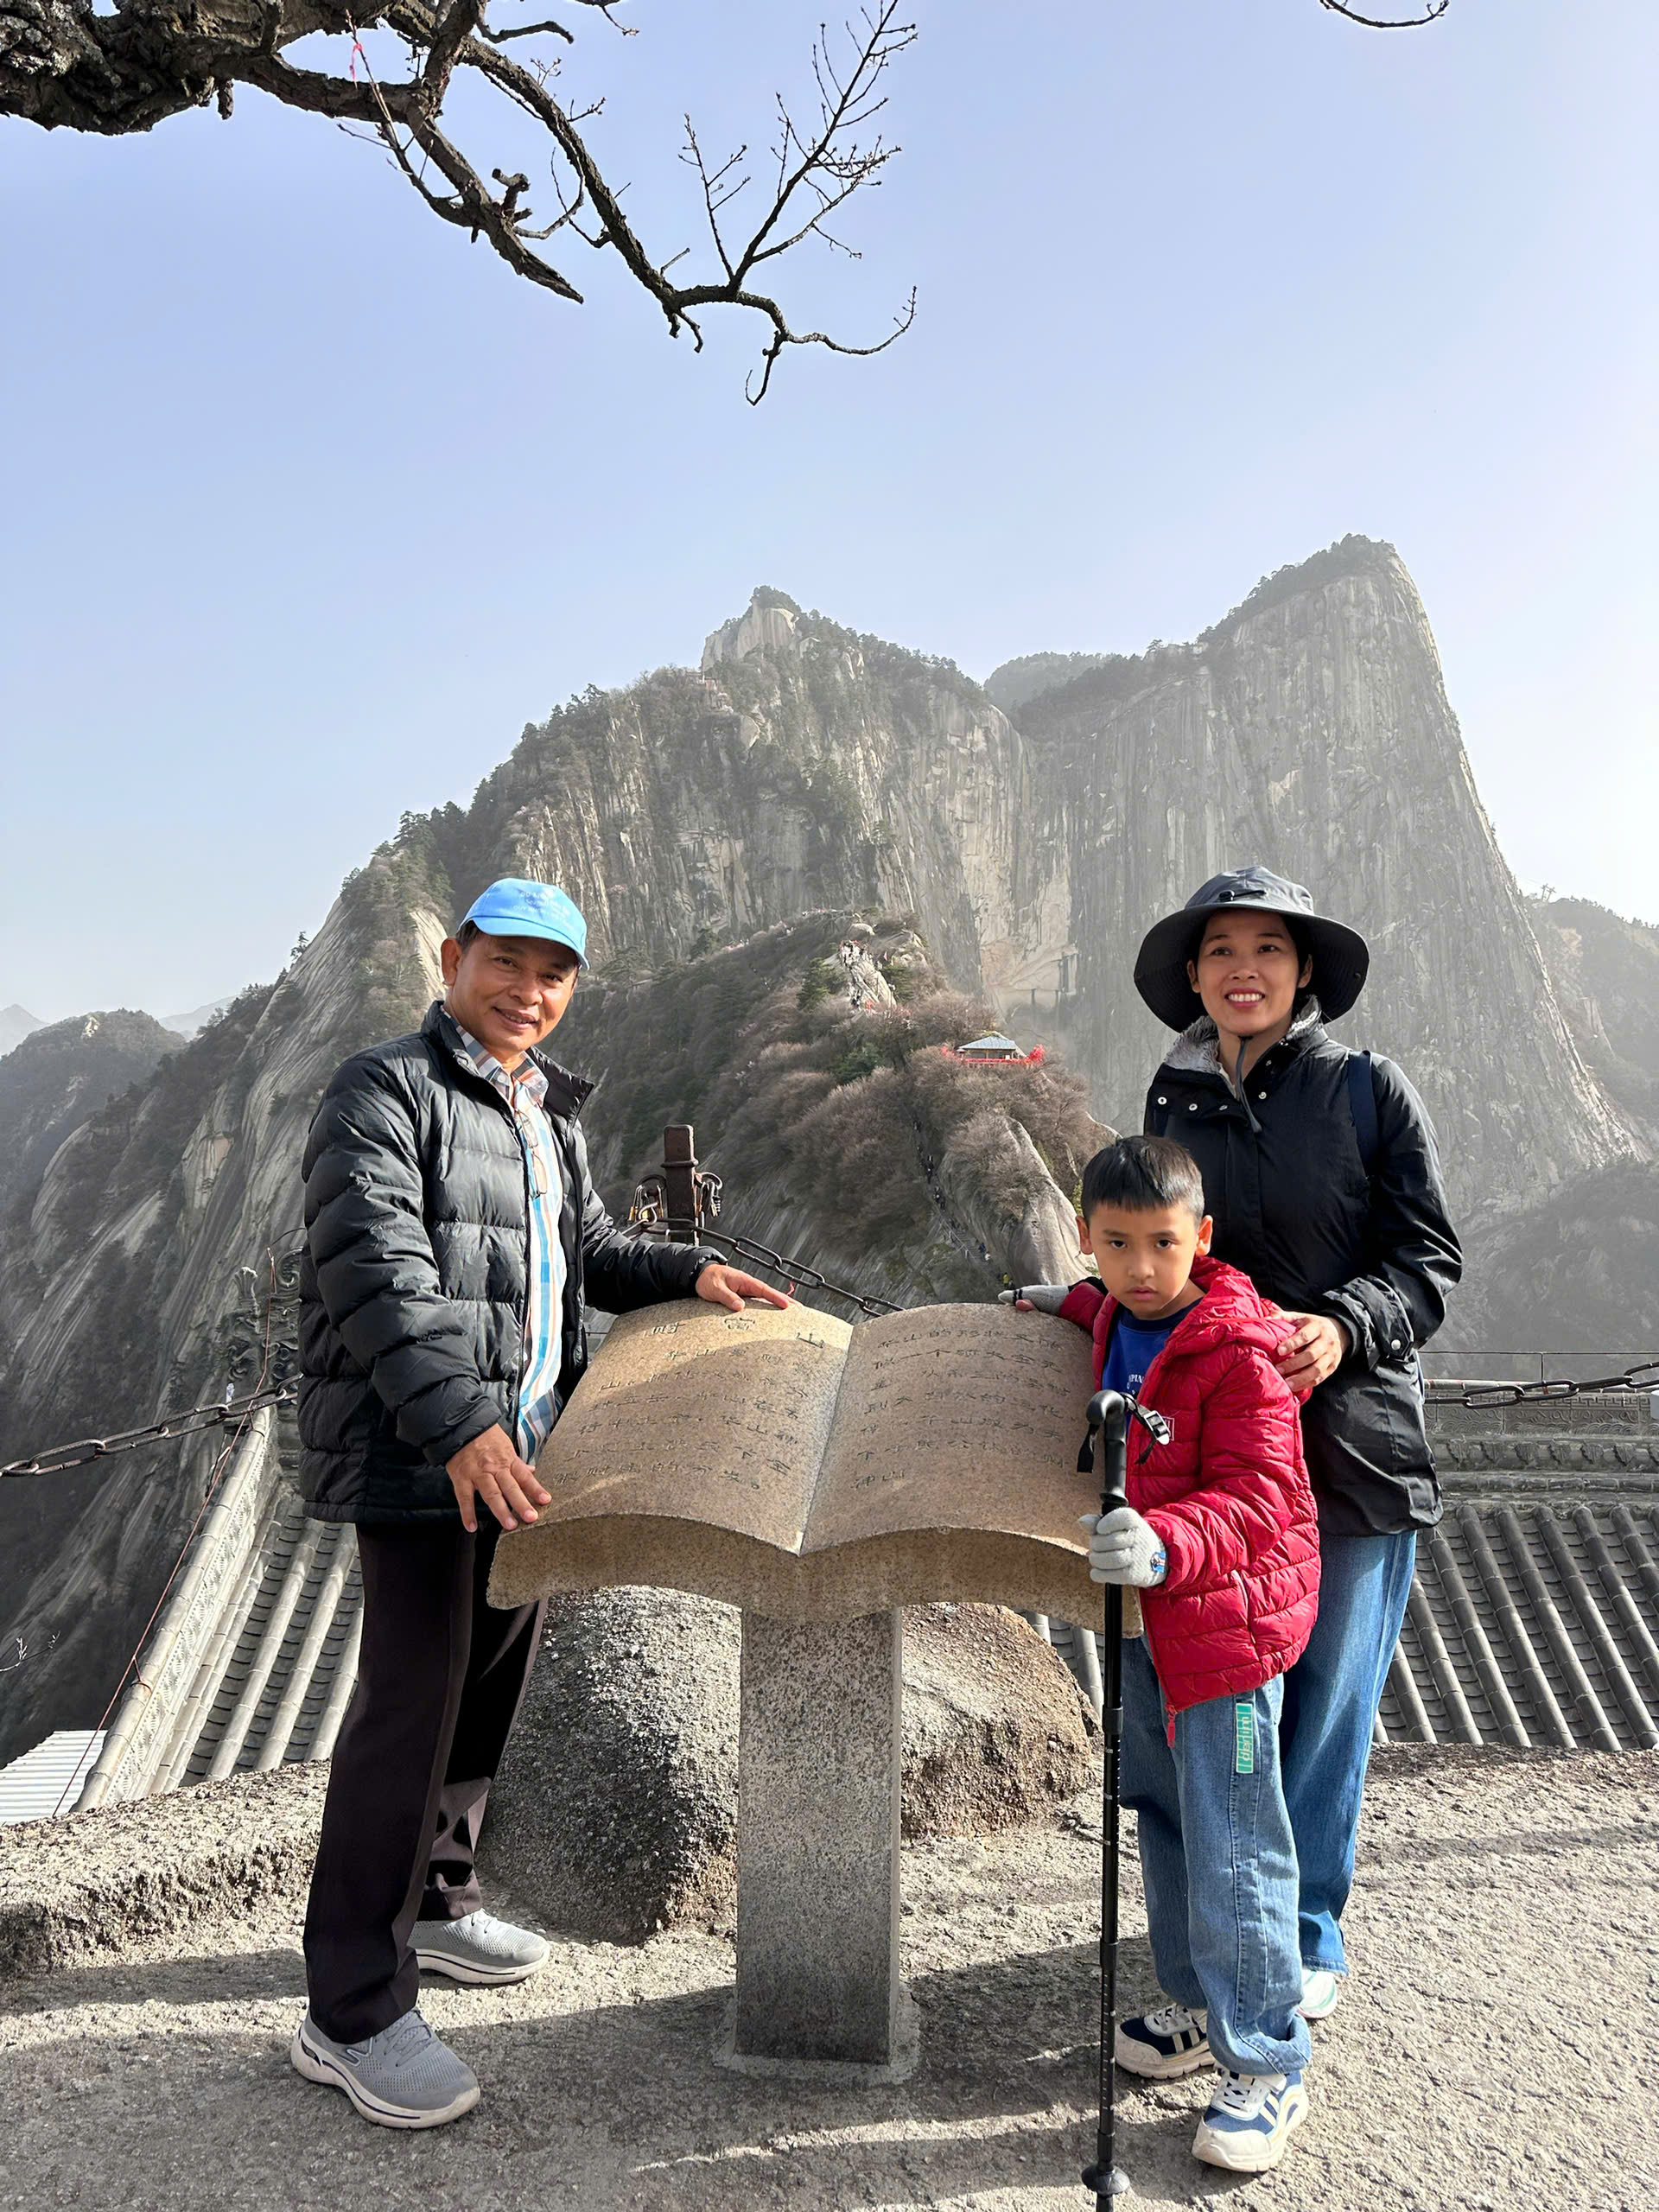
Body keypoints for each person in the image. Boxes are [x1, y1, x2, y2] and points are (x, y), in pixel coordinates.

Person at [289, 876, 788, 2130]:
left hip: (524, 1458)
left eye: (554, 975)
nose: (529, 992)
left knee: (489, 1689)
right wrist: (458, 1422)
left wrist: (689, 1270)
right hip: (427, 1457)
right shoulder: (384, 1090)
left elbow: (585, 1255)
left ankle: (438, 1903)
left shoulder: (540, 1109)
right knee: (408, 1712)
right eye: (506, 964)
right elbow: (375, 1270)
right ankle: (349, 2006)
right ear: (452, 960)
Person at [1133, 866, 1460, 2017]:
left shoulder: (1368, 1089)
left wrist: (1343, 1325)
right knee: (1218, 1719)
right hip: (1220, 1470)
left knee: (1325, 1713)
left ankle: (1306, 1933)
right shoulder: (1173, 1104)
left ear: (1304, 969)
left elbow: (1427, 1263)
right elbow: (1160, 1260)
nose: (1245, 970)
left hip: (1354, 1450)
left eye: (1269, 948)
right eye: (1222, 950)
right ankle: (1224, 1947)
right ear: (1193, 975)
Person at [1058, 1135, 1321, 2174]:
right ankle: (1200, 2006)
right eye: (1117, 1243)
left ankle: (1269, 2058)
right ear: (1087, 1238)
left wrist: (1167, 1543)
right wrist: (1052, 1300)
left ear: (1201, 1237)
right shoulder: (1113, 1314)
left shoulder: (1240, 1350)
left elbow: (1264, 1495)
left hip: (1226, 1636)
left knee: (1237, 1841)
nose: (1141, 1266)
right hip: (1149, 1626)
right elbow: (1096, 1305)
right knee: (1164, 1816)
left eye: (1164, 1243)